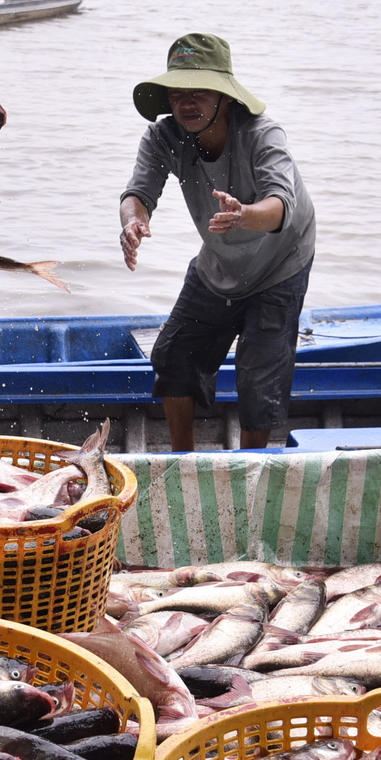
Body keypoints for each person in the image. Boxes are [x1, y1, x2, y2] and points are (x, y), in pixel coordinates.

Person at [119, 33, 316, 451]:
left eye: (199, 93)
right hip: (220, 264)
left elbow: (281, 206)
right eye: (177, 94)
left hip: (281, 263)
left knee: (259, 380)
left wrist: (244, 213)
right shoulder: (163, 138)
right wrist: (133, 222)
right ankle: (182, 460)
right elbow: (138, 193)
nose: (186, 104)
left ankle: (251, 465)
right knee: (173, 356)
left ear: (225, 97)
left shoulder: (263, 135)